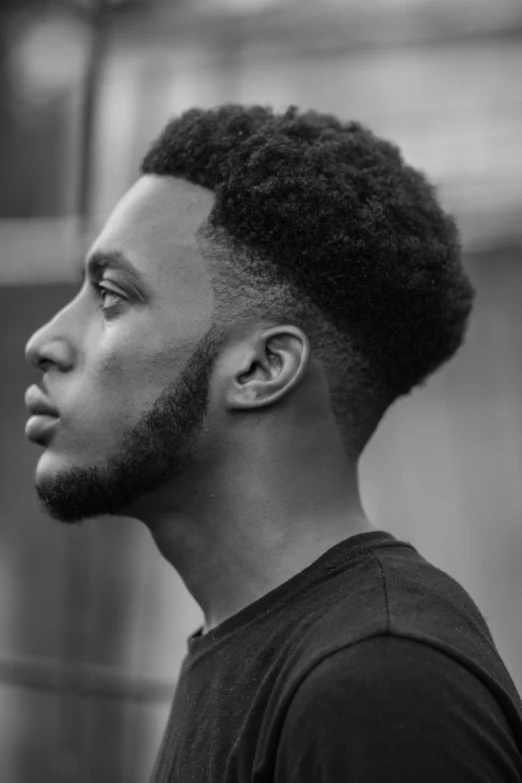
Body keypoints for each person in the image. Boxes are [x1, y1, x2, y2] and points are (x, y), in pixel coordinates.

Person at [24, 105, 522, 782]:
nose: (44, 341)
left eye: (112, 296)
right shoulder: (266, 646)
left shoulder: (380, 684)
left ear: (260, 370)